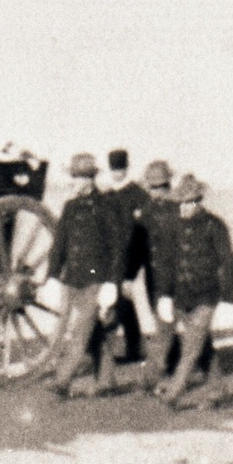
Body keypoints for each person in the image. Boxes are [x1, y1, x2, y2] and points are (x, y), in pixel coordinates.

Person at [155, 176, 233, 409]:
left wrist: (229, 297)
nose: (184, 207)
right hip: (182, 296)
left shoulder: (215, 225)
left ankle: (174, 392)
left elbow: (227, 262)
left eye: (189, 203)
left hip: (206, 296)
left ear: (199, 202)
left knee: (191, 348)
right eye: (180, 203)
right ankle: (217, 390)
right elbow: (165, 262)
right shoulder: (172, 226)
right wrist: (163, 294)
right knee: (202, 345)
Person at [45, 153, 125, 397]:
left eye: (81, 178)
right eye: (75, 177)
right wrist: (51, 275)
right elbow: (59, 244)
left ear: (91, 180)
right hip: (73, 279)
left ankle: (62, 381)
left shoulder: (106, 206)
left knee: (80, 332)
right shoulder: (70, 207)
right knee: (93, 331)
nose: (76, 182)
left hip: (96, 279)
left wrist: (112, 283)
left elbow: (118, 248)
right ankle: (107, 382)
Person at [134, 159, 185, 382]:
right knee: (163, 320)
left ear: (169, 185)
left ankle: (153, 375)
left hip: (177, 276)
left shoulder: (179, 210)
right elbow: (137, 246)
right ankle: (173, 364)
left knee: (168, 322)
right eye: (153, 188)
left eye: (161, 187)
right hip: (154, 276)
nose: (157, 192)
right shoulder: (145, 212)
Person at [102, 148, 153, 366]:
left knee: (120, 299)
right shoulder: (107, 195)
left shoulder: (138, 195)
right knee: (122, 300)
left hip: (131, 253)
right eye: (114, 169)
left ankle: (117, 348)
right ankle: (134, 348)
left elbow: (145, 230)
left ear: (126, 168)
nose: (117, 173)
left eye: (120, 169)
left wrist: (136, 266)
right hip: (111, 255)